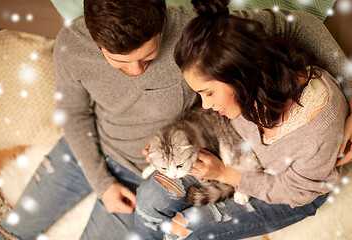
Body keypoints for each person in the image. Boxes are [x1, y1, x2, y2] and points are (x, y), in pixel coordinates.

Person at [0, 0, 352, 239]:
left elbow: (297, 25)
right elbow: (72, 113)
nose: (135, 71)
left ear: (162, 19)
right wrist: (101, 183)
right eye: (119, 63)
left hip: (153, 167)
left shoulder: (198, 33)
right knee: (11, 230)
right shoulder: (72, 44)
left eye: (148, 57)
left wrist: (349, 102)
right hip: (84, 151)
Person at [133, 0, 349, 239]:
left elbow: (295, 191)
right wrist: (173, 138)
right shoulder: (249, 84)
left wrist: (225, 174)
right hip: (245, 158)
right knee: (149, 197)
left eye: (208, 93)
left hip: (294, 190)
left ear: (240, 76)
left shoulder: (314, 132)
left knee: (183, 229)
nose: (206, 105)